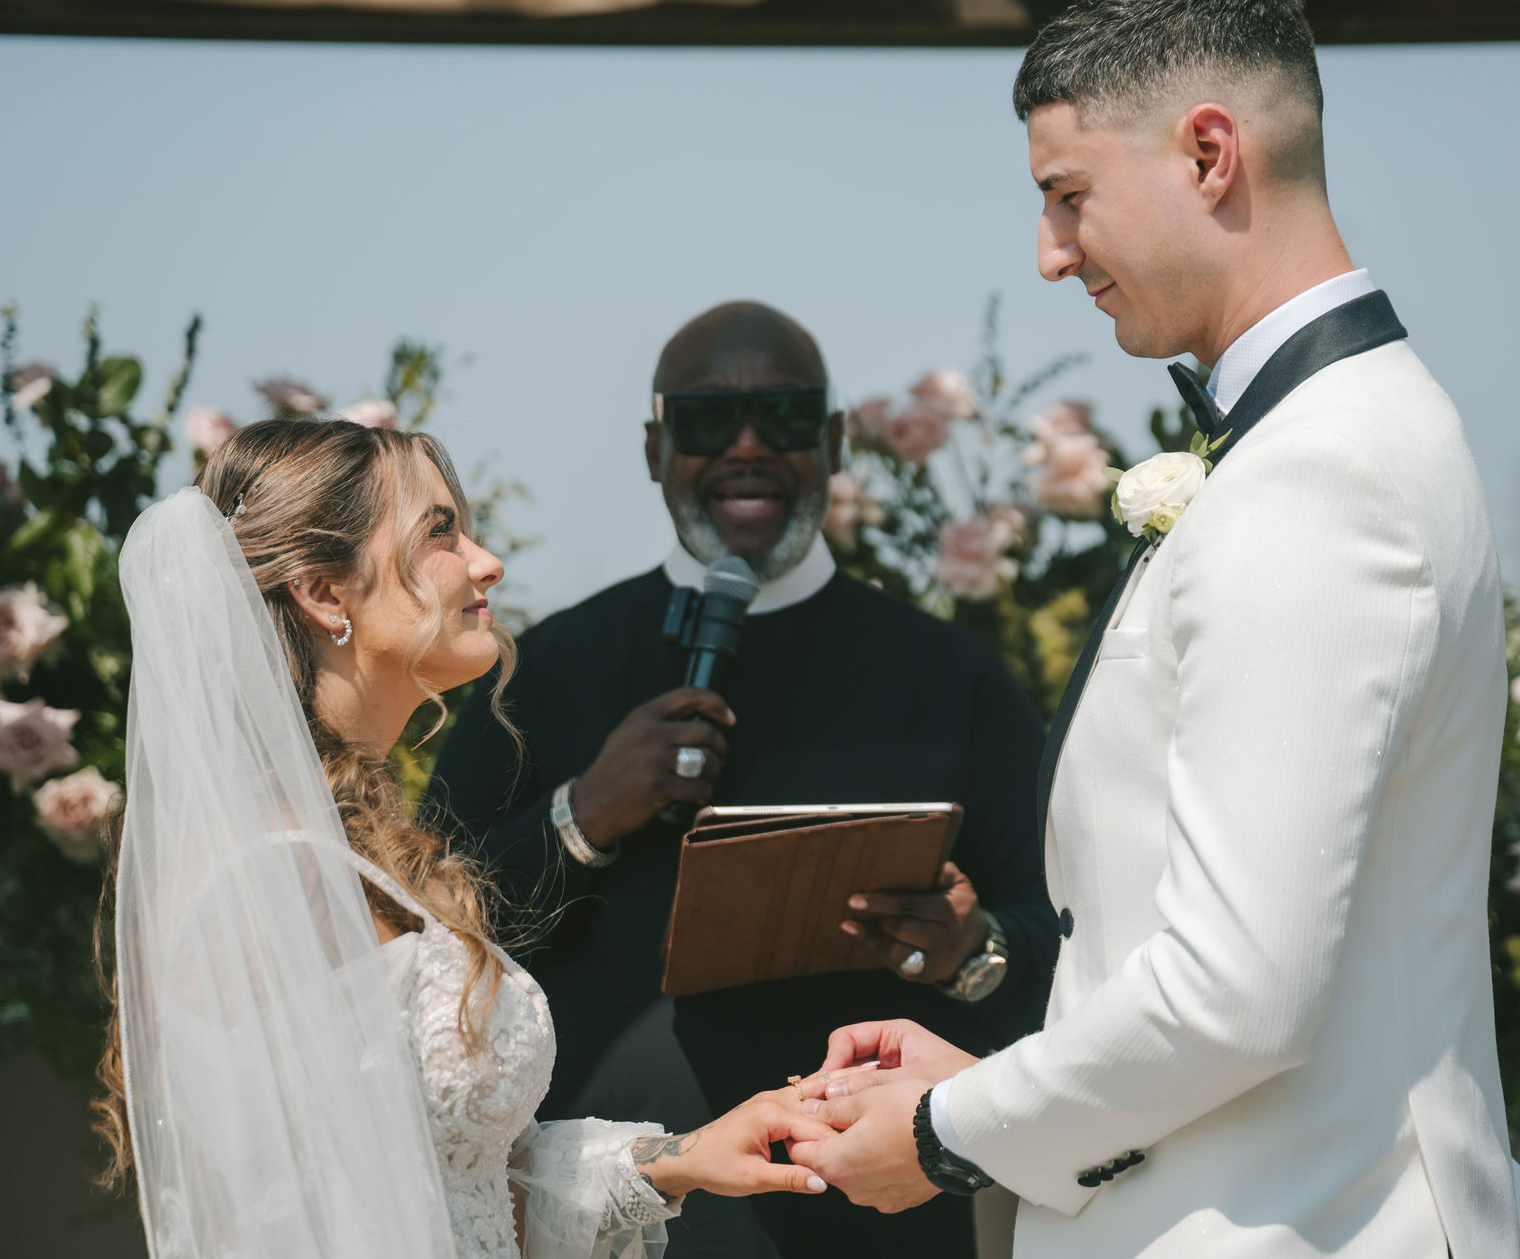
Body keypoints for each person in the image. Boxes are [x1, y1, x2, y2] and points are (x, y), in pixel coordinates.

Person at [788, 0, 1520, 1258]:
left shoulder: (1322, 472)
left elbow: (1238, 990)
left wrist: (948, 1132)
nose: (1049, 255)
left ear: (1209, 155)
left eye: (1068, 196)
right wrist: (1005, 1077)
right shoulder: (1334, 437)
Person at [95, 418, 838, 1259]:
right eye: (440, 532)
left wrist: (684, 1156)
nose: (487, 562)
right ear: (325, 593)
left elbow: (452, 1178)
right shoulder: (273, 872)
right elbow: (289, 1216)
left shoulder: (357, 844)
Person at [429, 302, 1058, 1259]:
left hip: (874, 1227)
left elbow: (1067, 945)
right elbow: (430, 935)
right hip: (611, 1220)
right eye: (709, 421)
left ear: (835, 441)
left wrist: (975, 948)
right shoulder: (540, 673)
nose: (749, 446)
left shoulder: (951, 677)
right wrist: (580, 816)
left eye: (786, 415)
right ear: (656, 449)